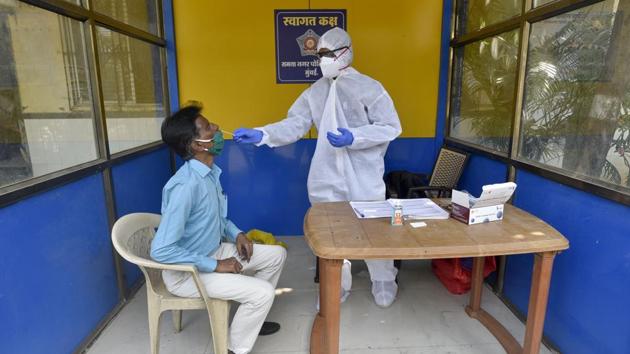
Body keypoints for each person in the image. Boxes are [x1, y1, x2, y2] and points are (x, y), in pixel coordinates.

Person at [234, 27, 401, 308]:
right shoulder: (315, 91)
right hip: (326, 177)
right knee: (333, 237)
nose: (323, 60)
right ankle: (337, 286)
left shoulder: (370, 88)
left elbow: (391, 127)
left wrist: (356, 137)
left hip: (363, 176)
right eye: (320, 55)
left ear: (346, 53)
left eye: (328, 54)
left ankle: (383, 281)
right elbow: (295, 123)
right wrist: (262, 134)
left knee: (374, 234)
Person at [151, 105, 287, 354]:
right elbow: (161, 250)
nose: (215, 128)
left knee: (276, 255)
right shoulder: (185, 187)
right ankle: (234, 349)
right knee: (263, 293)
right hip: (186, 273)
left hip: (210, 251)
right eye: (207, 127)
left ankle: (249, 322)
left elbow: (217, 219)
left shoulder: (210, 173)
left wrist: (237, 234)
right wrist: (215, 265)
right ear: (196, 144)